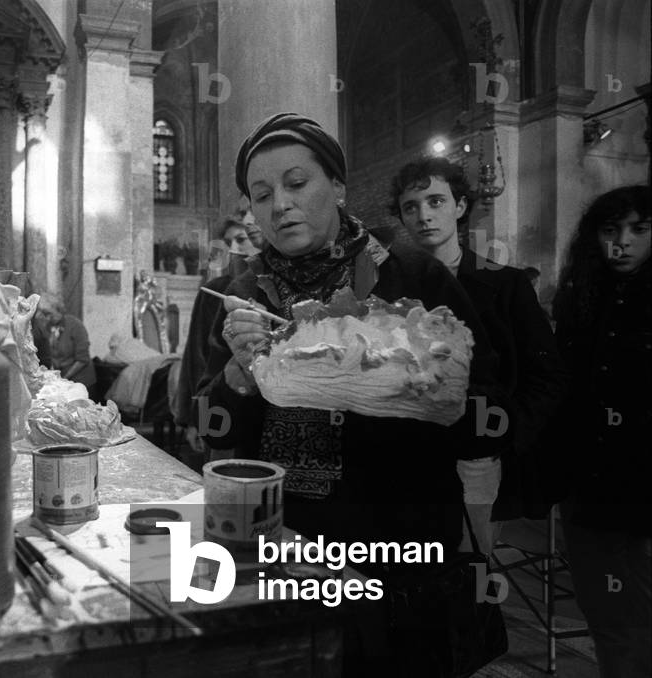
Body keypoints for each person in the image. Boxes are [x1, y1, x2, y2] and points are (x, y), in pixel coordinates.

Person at [195, 113, 506, 675]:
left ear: (337, 187)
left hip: (399, 539)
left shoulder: (412, 276)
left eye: (296, 183)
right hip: (288, 539)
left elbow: (487, 401)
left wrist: (417, 389)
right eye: (261, 195)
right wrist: (239, 377)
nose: (279, 205)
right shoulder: (238, 295)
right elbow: (211, 427)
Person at [390, 157, 567, 553]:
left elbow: (547, 374)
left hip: (476, 457)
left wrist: (505, 436)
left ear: (460, 206)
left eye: (435, 201)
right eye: (411, 207)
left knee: (470, 571)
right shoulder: (392, 291)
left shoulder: (505, 284)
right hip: (409, 456)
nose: (423, 215)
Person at [551, 185, 651, 678]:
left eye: (639, 229)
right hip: (588, 489)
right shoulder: (581, 299)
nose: (623, 243)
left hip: (643, 492)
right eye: (611, 231)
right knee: (610, 622)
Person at [176, 210, 262, 458]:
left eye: (242, 239)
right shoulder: (216, 290)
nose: (234, 248)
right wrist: (194, 419)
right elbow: (198, 358)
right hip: (220, 409)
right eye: (229, 242)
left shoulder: (265, 287)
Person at [34, 293, 96, 388]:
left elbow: (83, 359)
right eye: (44, 314)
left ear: (59, 310)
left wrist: (64, 378)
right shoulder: (48, 327)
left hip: (81, 380)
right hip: (63, 380)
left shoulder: (75, 325)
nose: (47, 318)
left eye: (49, 314)